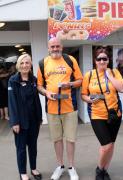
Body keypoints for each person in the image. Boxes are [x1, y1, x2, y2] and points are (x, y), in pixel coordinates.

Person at [37, 38, 83, 180]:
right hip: (51, 109)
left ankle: (71, 167)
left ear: (61, 47)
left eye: (57, 46)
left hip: (69, 107)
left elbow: (80, 80)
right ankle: (60, 166)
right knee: (57, 139)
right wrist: (46, 93)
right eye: (52, 46)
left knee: (70, 139)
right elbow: (39, 85)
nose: (55, 48)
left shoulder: (70, 60)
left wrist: (69, 84)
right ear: (48, 48)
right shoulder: (42, 63)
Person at [81, 47, 123, 180]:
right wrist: (90, 99)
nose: (102, 61)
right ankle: (99, 169)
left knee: (111, 144)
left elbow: (122, 88)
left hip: (114, 114)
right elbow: (83, 95)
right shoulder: (89, 75)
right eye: (99, 59)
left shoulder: (114, 72)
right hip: (97, 115)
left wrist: (110, 76)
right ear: (95, 61)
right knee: (106, 145)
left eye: (104, 59)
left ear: (108, 60)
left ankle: (105, 170)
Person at [8, 54, 42, 180]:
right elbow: (12, 102)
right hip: (20, 122)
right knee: (21, 148)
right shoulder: (13, 80)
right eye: (22, 63)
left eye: (27, 63)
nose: (25, 65)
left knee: (33, 146)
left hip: (34, 120)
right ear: (18, 65)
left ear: (31, 64)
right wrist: (14, 122)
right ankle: (23, 172)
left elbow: (36, 100)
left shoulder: (33, 79)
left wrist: (39, 118)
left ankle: (33, 168)